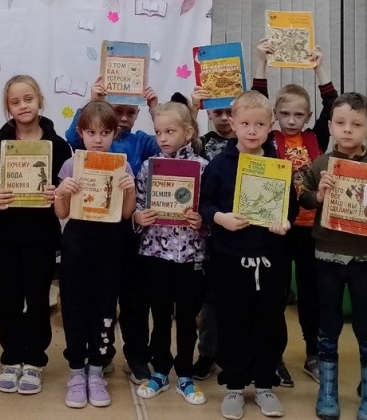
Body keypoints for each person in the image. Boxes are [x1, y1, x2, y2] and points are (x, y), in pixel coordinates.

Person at [198, 91, 296, 420]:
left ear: (271, 126)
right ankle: (235, 385)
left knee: (269, 322)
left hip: (270, 258)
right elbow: (205, 204)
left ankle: (265, 384)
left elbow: (291, 208)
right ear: (233, 123)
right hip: (229, 258)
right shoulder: (219, 165)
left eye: (259, 124)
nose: (252, 130)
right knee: (231, 321)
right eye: (245, 124)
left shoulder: (278, 166)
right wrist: (220, 218)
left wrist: (285, 222)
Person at [299, 92, 367, 420]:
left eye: (356, 124)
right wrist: (318, 195)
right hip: (327, 256)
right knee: (328, 324)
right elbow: (304, 199)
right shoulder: (321, 164)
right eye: (340, 123)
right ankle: (327, 391)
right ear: (330, 127)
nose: (347, 130)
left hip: (365, 259)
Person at [251, 39, 338, 385]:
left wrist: (319, 68)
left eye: (298, 115)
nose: (291, 120)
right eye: (284, 114)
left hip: (310, 229)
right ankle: (274, 357)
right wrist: (262, 62)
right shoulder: (268, 139)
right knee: (274, 295)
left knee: (311, 294)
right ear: (274, 115)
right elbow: (256, 99)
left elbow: (332, 104)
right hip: (277, 226)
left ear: (308, 117)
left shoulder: (316, 140)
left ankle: (313, 353)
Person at [66, 80, 160, 382]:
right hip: (87, 232)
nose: (123, 118)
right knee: (92, 299)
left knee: (130, 299)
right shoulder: (79, 153)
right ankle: (97, 357)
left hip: (125, 231)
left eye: (130, 112)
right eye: (117, 112)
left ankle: (134, 357)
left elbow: (165, 143)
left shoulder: (141, 141)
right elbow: (73, 135)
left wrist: (155, 108)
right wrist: (92, 99)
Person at [0, 76, 70, 396]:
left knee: (37, 299)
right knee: (8, 300)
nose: (23, 106)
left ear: (40, 101)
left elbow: (65, 188)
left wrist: (56, 192)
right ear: (8, 107)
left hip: (41, 236)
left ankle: (34, 360)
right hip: (5, 235)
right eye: (15, 101)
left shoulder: (58, 146)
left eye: (28, 99)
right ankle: (11, 359)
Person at [54, 100, 137, 409]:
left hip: (110, 244)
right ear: (81, 133)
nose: (98, 139)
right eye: (91, 133)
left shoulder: (122, 165)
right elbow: (61, 212)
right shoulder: (70, 165)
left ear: (115, 134)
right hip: (76, 243)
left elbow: (126, 213)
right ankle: (77, 371)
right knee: (74, 306)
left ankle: (97, 370)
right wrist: (61, 192)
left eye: (105, 133)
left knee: (104, 306)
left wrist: (130, 189)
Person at [132, 102, 210, 406]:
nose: (163, 138)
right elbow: (138, 203)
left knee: (188, 318)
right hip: (155, 254)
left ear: (188, 133)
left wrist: (202, 222)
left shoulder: (203, 167)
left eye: (170, 131)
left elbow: (210, 209)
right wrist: (138, 217)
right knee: (161, 315)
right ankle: (161, 371)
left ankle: (186, 374)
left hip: (191, 257)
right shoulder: (148, 166)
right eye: (158, 132)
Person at [188, 90, 238, 381]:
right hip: (208, 232)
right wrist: (193, 107)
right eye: (217, 112)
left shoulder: (251, 145)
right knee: (210, 298)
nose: (224, 118)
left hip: (243, 233)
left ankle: (236, 355)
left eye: (230, 112)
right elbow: (184, 137)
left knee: (240, 298)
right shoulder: (202, 144)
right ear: (209, 114)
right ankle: (207, 354)